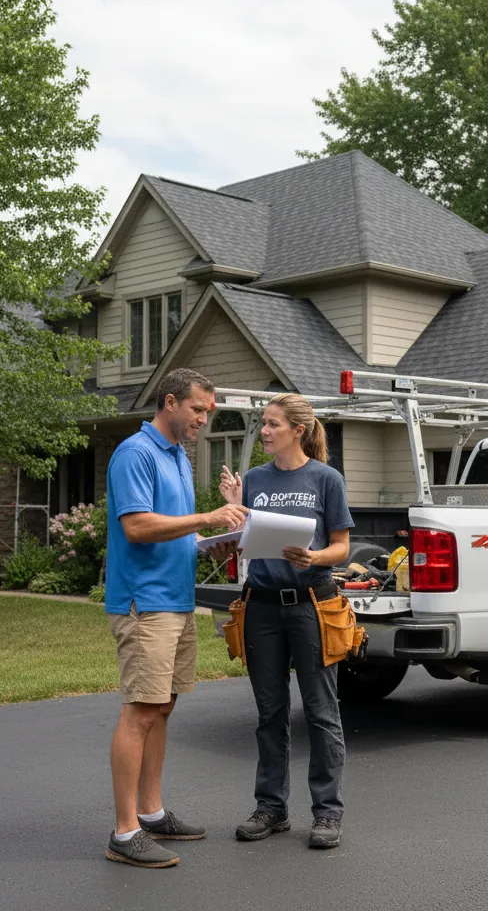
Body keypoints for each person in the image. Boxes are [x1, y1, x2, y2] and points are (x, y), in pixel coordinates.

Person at [103, 368, 246, 869]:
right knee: (139, 711)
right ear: (170, 402)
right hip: (146, 604)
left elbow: (175, 531)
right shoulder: (135, 454)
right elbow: (138, 527)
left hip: (177, 600)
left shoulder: (179, 459)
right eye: (198, 410)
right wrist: (207, 519)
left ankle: (151, 811)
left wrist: (216, 535)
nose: (205, 420)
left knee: (161, 708)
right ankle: (124, 833)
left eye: (209, 412)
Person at [219, 393, 353, 850]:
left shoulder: (326, 479)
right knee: (270, 713)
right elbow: (238, 544)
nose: (265, 431)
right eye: (264, 424)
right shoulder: (254, 479)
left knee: (320, 711)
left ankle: (328, 813)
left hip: (311, 604)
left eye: (273, 424)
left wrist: (314, 555)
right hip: (261, 607)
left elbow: (341, 547)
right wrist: (234, 509)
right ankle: (271, 808)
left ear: (298, 430)